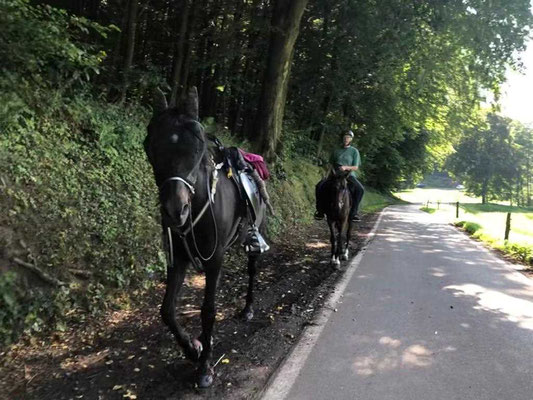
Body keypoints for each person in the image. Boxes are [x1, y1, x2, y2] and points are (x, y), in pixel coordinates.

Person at [314, 130, 365, 222]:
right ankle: (320, 211)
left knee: (360, 189)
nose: (346, 139)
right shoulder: (336, 150)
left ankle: (354, 213)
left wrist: (346, 167)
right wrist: (327, 174)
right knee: (319, 186)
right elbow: (330, 164)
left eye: (348, 137)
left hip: (348, 174)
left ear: (351, 139)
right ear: (342, 138)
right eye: (345, 137)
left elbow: (355, 167)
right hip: (335, 173)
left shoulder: (354, 151)